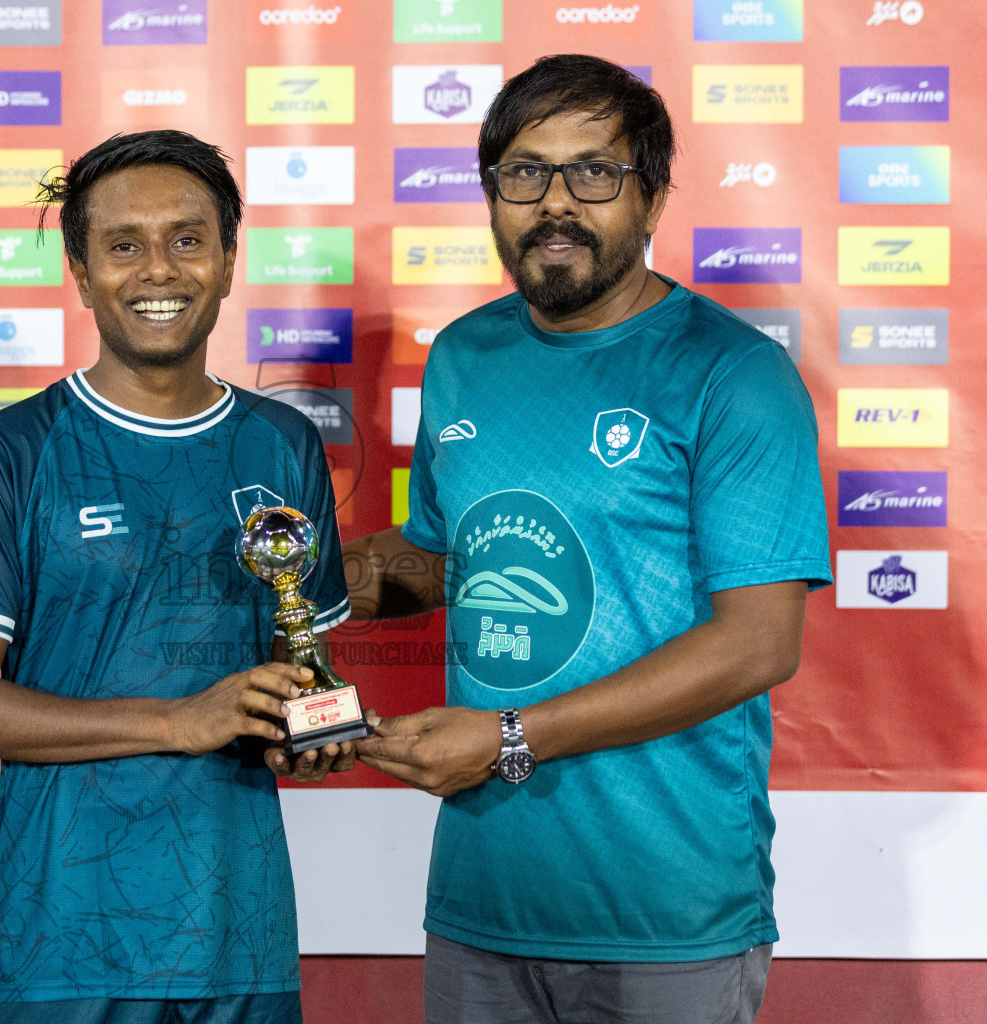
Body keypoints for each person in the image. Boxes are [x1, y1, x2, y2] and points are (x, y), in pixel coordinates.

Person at [347, 55, 833, 1024]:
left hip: (668, 916)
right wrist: (307, 566)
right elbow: (450, 560)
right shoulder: (463, 355)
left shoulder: (732, 373)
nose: (555, 203)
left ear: (650, 196)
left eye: (594, 173)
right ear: (493, 195)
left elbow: (759, 641)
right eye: (525, 173)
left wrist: (508, 738)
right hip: (483, 904)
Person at [0, 129, 355, 1024]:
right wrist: (178, 720)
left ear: (230, 261)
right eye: (124, 244)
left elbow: (295, 666)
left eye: (188, 239)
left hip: (241, 936)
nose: (160, 270)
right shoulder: (13, 450)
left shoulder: (284, 445)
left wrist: (314, 728)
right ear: (80, 271)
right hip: (64, 947)